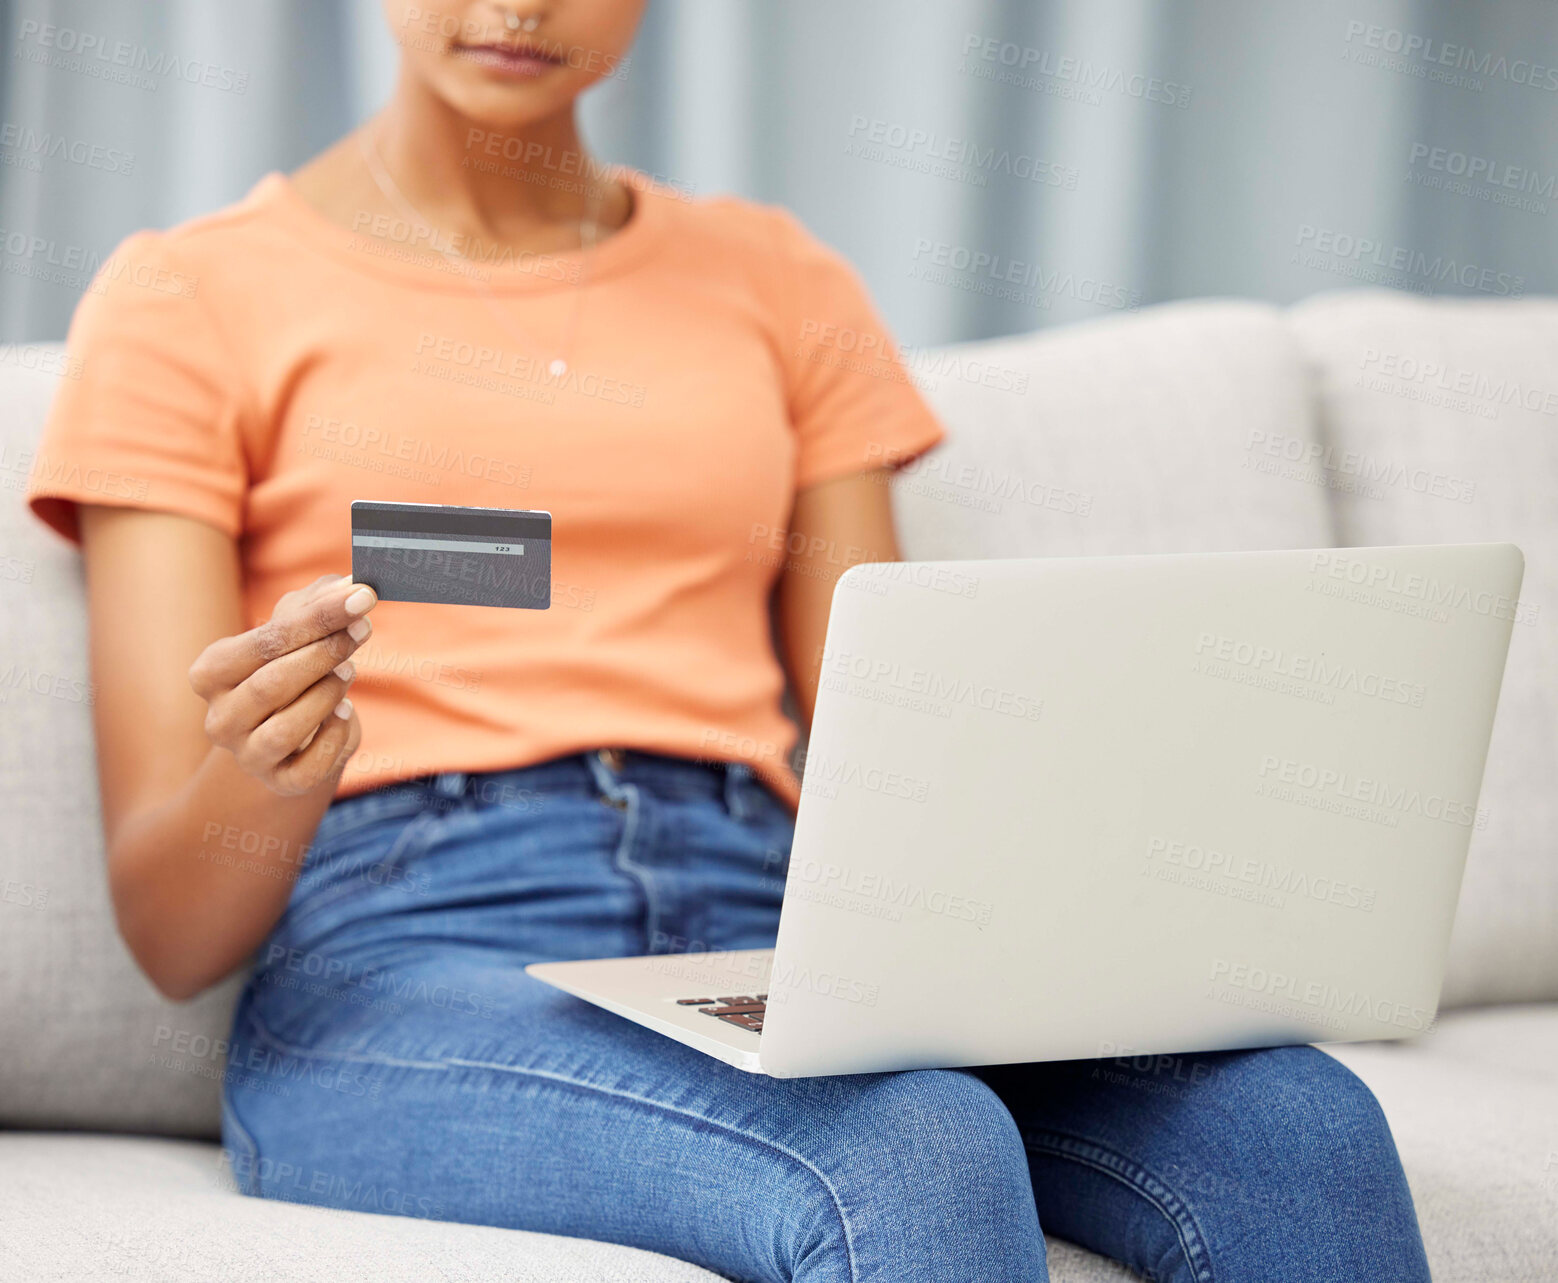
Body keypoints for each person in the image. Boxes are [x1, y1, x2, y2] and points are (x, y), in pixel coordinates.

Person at [26, 2, 1433, 1279]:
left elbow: (902, 742)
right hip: (403, 951)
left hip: (774, 919)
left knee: (1296, 1119)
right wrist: (267, 774)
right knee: (909, 1146)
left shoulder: (777, 279)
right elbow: (170, 931)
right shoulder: (182, 299)